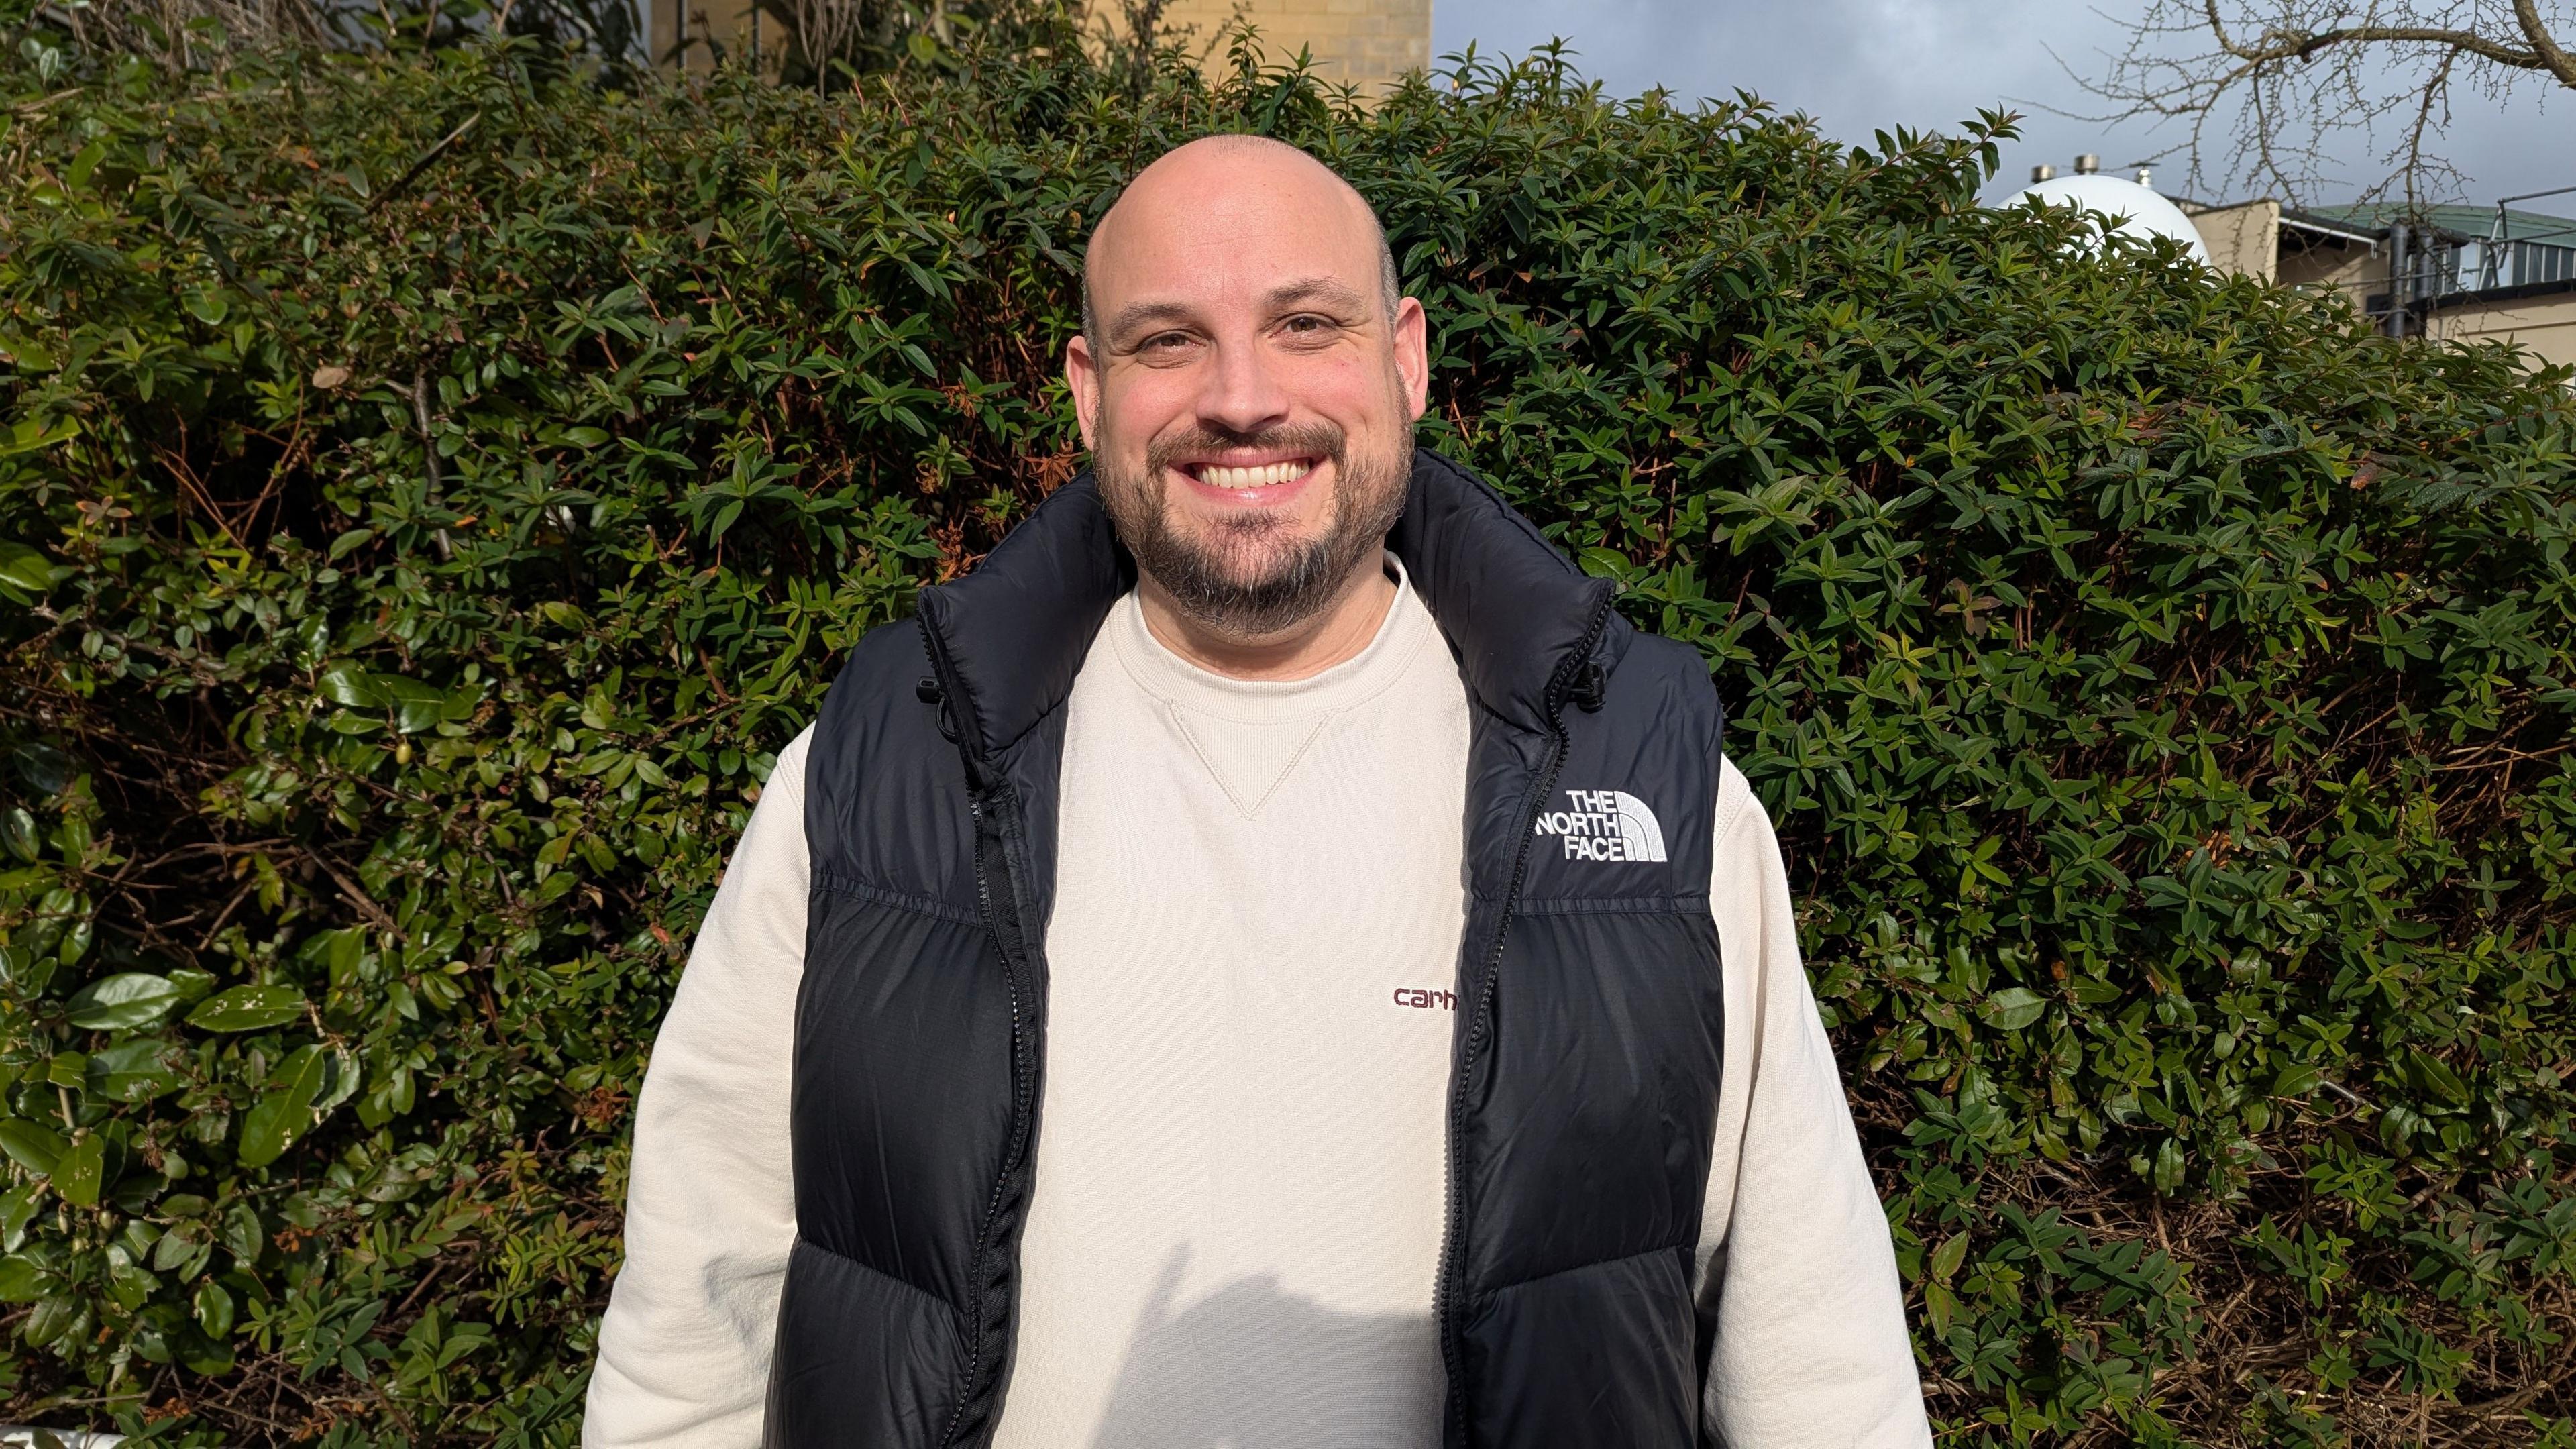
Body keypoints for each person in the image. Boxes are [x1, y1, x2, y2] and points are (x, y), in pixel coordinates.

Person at [583, 134, 1930, 1449]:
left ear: (1403, 358)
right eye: (1166, 340)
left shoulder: (1643, 795)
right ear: (1088, 388)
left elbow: (1817, 1352)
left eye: (1305, 324)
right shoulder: (885, 770)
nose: (1239, 397)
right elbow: (698, 1299)